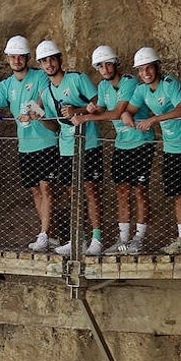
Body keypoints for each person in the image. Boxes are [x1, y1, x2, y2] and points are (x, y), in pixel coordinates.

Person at [122, 47, 181, 253]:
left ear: (157, 67)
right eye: (141, 69)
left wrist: (153, 119)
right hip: (171, 148)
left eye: (149, 68)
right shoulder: (142, 90)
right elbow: (130, 109)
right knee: (178, 194)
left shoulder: (170, 83)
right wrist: (126, 115)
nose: (146, 73)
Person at [72, 46, 154, 254]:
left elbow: (118, 112)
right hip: (121, 144)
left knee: (139, 191)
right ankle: (124, 239)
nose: (105, 69)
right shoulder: (102, 86)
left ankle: (140, 238)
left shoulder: (129, 82)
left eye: (108, 64)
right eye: (100, 65)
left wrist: (88, 117)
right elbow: (100, 107)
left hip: (141, 140)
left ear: (116, 63)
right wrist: (89, 109)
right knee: (122, 191)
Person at [0, 35, 58, 252]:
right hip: (25, 145)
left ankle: (44, 234)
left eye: (21, 56)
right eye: (13, 56)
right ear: (7, 58)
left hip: (45, 140)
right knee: (36, 190)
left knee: (47, 187)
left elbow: (43, 101)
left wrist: (32, 110)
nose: (17, 60)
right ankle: (49, 234)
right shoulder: (7, 85)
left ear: (27, 57)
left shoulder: (40, 77)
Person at [38, 40, 103, 256]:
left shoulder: (77, 79)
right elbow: (55, 124)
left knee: (90, 190)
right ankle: (79, 237)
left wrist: (78, 109)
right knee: (72, 193)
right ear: (40, 65)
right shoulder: (46, 92)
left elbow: (98, 102)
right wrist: (39, 118)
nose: (49, 64)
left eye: (52, 59)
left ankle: (97, 238)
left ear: (59, 60)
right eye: (45, 61)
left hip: (88, 141)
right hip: (66, 147)